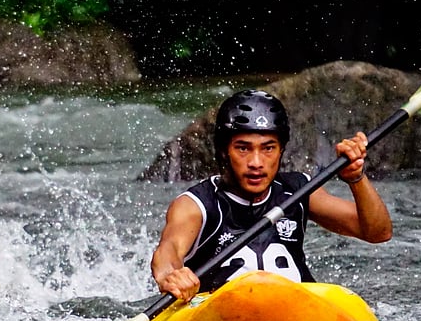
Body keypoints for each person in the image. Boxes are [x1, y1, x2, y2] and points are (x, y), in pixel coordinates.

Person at [151, 89, 392, 303]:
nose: (256, 163)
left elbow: (377, 232)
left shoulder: (298, 190)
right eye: (243, 148)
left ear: (281, 150)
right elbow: (169, 249)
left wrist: (356, 178)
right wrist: (170, 276)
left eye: (268, 148)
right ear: (224, 152)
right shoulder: (197, 204)